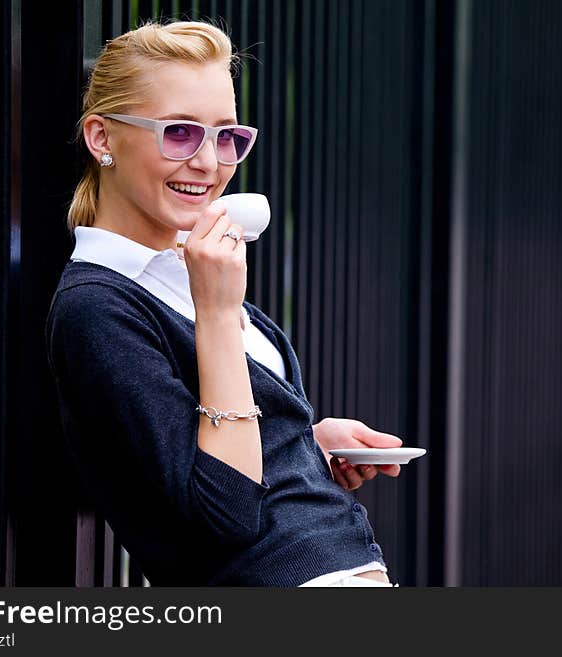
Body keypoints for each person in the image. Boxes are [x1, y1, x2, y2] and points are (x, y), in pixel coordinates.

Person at [45, 20, 403, 587]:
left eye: (228, 137)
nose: (211, 164)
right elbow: (224, 516)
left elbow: (200, 460)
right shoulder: (99, 305)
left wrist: (304, 448)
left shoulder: (182, 274)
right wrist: (214, 313)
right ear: (102, 138)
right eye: (180, 133)